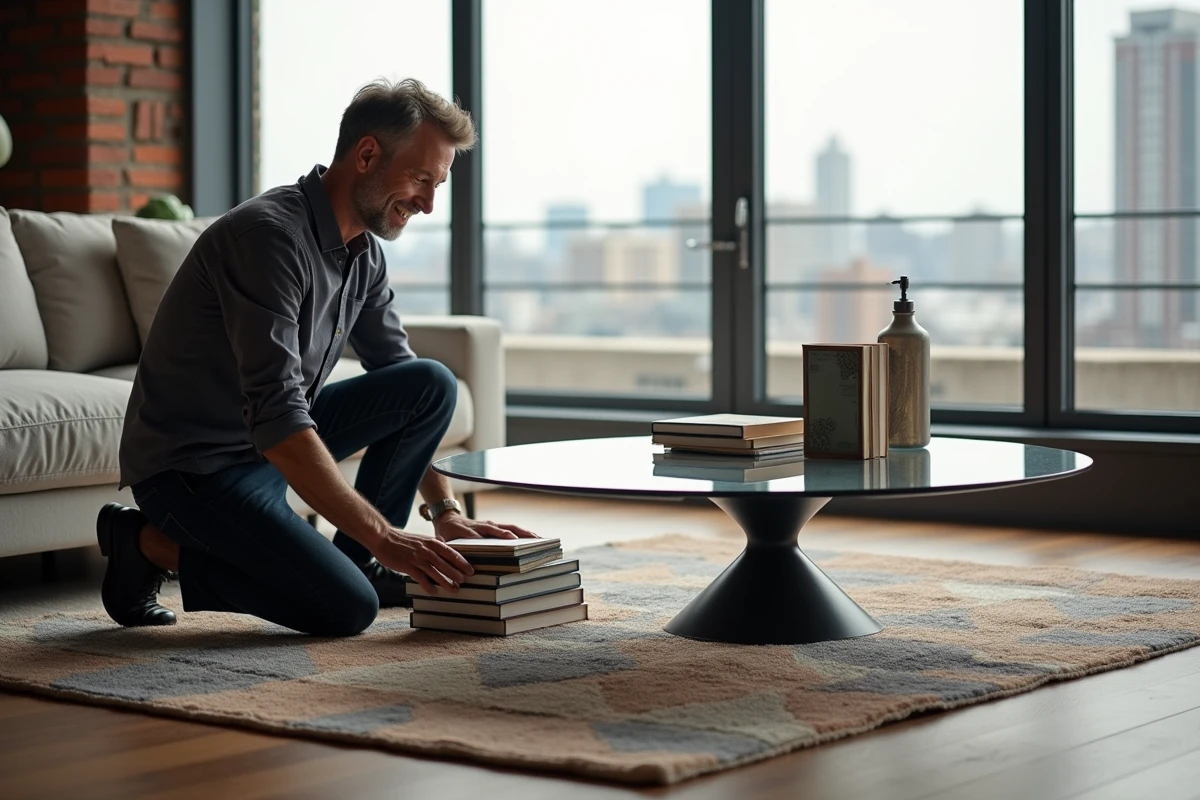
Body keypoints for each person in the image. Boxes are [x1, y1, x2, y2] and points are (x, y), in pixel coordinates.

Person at [97, 78, 536, 637]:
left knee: (429, 384)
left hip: (262, 450)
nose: (429, 204)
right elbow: (279, 419)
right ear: (368, 154)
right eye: (422, 179)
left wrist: (446, 515)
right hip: (195, 472)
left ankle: (360, 564)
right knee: (346, 609)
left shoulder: (364, 254)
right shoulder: (269, 238)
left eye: (438, 184)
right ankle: (146, 544)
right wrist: (387, 534)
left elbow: (397, 375)